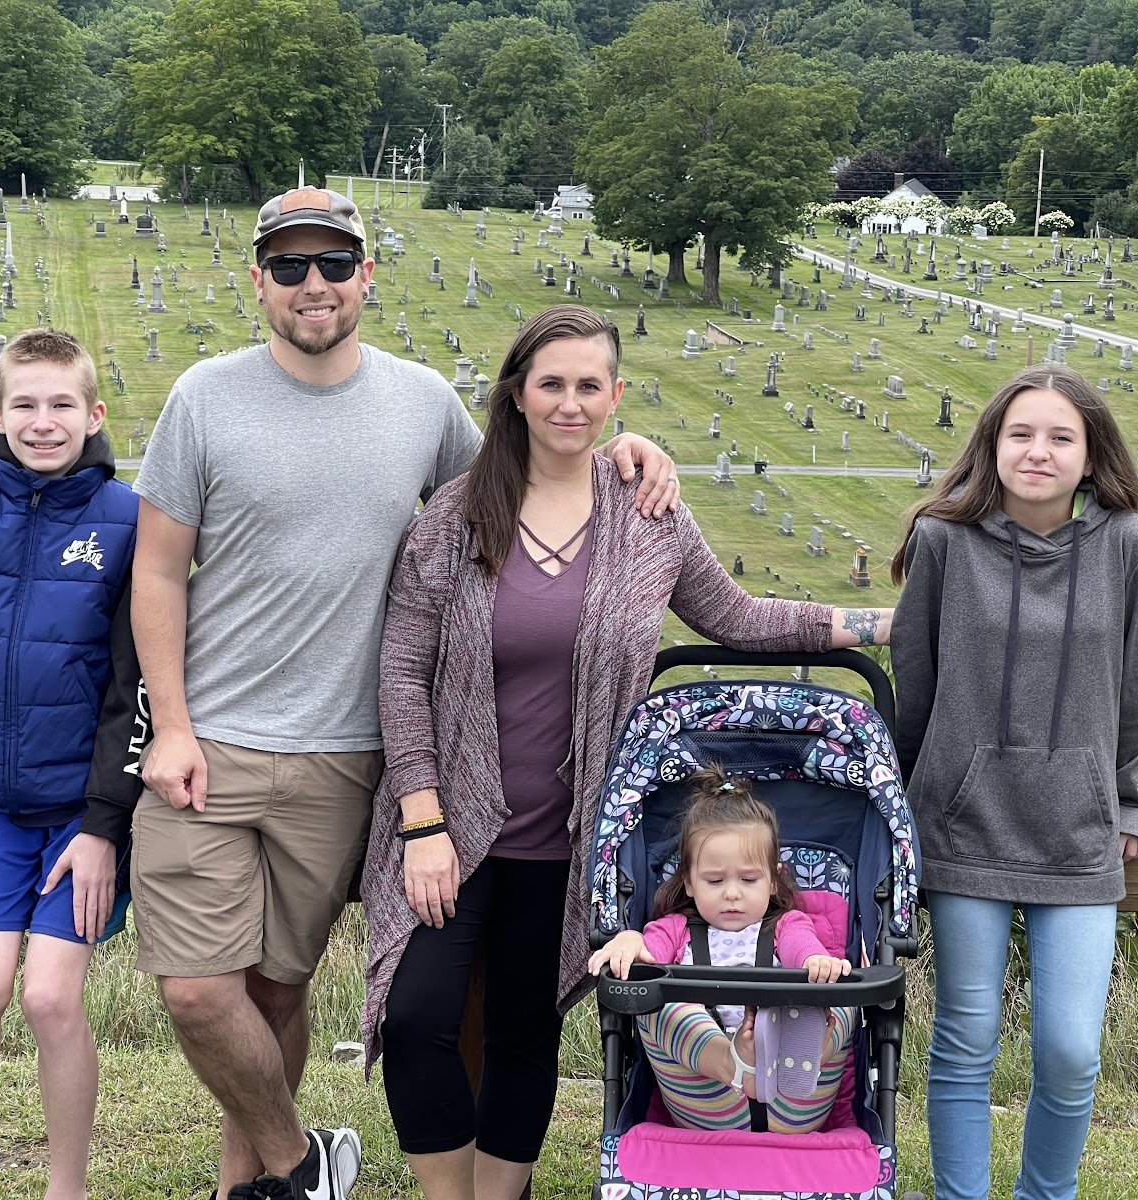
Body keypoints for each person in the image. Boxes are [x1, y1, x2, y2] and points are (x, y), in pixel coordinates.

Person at [130, 191, 677, 1200]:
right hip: (210, 740)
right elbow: (158, 570)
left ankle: (243, 1188)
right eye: (288, 268)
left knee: (277, 988)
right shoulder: (202, 397)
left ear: (366, 277)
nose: (313, 286)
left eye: (333, 264)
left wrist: (621, 453)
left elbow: (524, 484)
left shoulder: (422, 402)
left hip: (349, 756)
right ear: (257, 281)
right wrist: (169, 726)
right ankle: (301, 1164)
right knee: (200, 990)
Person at [360, 304, 893, 1200]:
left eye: (589, 386)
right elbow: (402, 671)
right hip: (452, 825)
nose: (570, 404)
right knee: (417, 1020)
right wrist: (422, 818)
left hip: (575, 836)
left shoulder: (647, 515)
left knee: (528, 1032)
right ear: (518, 395)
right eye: (551, 384)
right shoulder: (459, 517)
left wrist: (876, 625)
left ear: (613, 397)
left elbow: (739, 618)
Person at [888, 364, 1138, 1200]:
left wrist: (1126, 797)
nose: (1037, 452)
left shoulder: (1131, 547)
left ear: (1091, 456)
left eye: (1059, 437)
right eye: (1020, 433)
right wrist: (904, 806)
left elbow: (1137, 688)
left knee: (1072, 1049)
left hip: (1080, 832)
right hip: (964, 824)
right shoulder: (941, 541)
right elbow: (917, 686)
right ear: (992, 443)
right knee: (966, 1036)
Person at [0, 328, 143, 1200]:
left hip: (84, 817)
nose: (44, 423)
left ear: (94, 414)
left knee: (49, 999)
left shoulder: (128, 517)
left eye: (63, 405)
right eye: (26, 406)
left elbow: (136, 683)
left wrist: (105, 826)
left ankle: (66, 1188)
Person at [588, 765, 858, 1135]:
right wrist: (630, 940)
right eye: (715, 880)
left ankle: (812, 1050)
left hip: (793, 1101)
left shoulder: (787, 925)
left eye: (749, 880)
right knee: (654, 1000)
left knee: (845, 994)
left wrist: (816, 963)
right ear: (688, 883)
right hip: (707, 1103)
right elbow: (648, 952)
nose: (732, 893)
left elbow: (801, 947)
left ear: (774, 878)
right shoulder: (675, 931)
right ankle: (733, 1061)